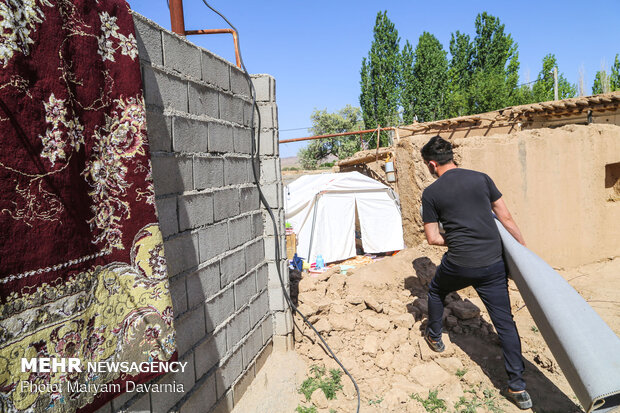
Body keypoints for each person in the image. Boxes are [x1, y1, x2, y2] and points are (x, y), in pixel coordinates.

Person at [419, 136, 532, 410]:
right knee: (504, 321)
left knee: (436, 290)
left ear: (433, 164)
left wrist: (457, 237)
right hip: (493, 263)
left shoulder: (431, 193)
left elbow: (433, 238)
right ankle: (518, 388)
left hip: (459, 263)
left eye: (427, 166)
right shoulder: (482, 178)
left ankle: (434, 337)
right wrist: (524, 250)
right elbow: (505, 217)